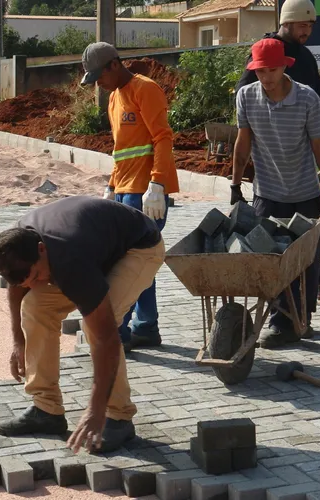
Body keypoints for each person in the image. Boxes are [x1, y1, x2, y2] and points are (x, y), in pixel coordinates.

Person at [0, 196, 165, 453]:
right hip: (93, 246)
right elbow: (19, 287)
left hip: (138, 248)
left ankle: (119, 417)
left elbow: (106, 337)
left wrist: (95, 409)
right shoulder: (16, 246)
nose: (36, 283)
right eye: (28, 280)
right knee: (35, 306)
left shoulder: (68, 258)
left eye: (37, 275)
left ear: (41, 249)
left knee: (96, 326)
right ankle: (47, 409)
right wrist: (19, 341)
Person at [235, 0, 320, 306]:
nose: (307, 31)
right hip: (269, 174)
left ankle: (309, 294)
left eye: (310, 26)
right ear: (287, 23)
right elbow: (245, 100)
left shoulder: (303, 59)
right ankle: (301, 296)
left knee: (302, 240)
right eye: (302, 26)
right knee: (275, 244)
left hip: (301, 174)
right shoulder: (264, 54)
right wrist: (237, 175)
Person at [231, 38, 320, 349]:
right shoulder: (246, 96)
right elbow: (243, 143)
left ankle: (299, 320)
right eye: (260, 71)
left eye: (272, 70)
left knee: (305, 263)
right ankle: (281, 322)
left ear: (284, 67)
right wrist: (235, 185)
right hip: (267, 193)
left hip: (304, 193)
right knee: (270, 260)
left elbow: (319, 147)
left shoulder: (307, 98)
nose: (266, 77)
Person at [80, 42, 179, 351]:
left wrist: (158, 184)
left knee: (130, 265)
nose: (98, 83)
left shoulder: (144, 89)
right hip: (125, 191)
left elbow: (162, 137)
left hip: (145, 194)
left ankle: (120, 332)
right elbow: (121, 150)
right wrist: (111, 187)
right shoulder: (113, 98)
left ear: (114, 64)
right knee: (138, 264)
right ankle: (145, 328)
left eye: (99, 76)